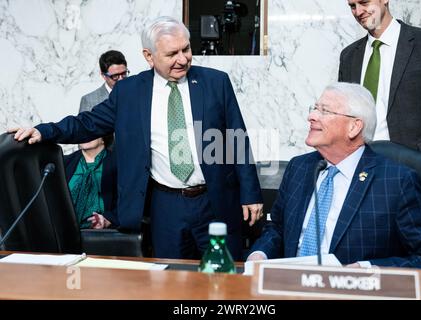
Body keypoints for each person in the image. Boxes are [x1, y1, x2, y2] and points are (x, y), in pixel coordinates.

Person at [10, 16, 263, 261]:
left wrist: (251, 193)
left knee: (225, 280)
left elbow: (236, 139)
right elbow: (87, 123)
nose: (183, 59)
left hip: (215, 200)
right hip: (166, 206)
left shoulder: (215, 82)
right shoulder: (129, 92)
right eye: (171, 54)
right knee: (170, 282)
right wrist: (44, 131)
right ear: (148, 56)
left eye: (186, 49)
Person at [247, 82, 421, 270]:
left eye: (324, 111)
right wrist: (260, 254)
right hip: (290, 287)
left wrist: (368, 269)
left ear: (354, 127)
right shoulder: (299, 167)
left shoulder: (396, 181)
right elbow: (278, 228)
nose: (312, 116)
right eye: (314, 108)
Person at [338, 0, 421, 157]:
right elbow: (343, 116)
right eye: (352, 6)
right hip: (360, 162)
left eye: (364, 2)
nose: (358, 11)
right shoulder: (349, 56)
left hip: (415, 164)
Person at [64, 134, 118, 229]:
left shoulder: (118, 164)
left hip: (102, 233)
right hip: (65, 228)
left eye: (90, 131)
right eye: (82, 131)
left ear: (104, 138)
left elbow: (127, 201)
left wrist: (108, 219)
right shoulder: (64, 162)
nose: (85, 135)